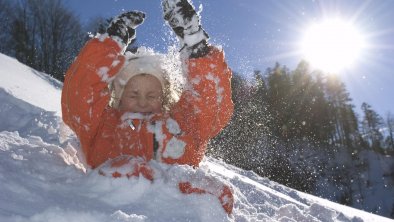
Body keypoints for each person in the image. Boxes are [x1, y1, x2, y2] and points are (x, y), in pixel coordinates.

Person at [61, 0, 234, 214]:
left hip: (175, 207)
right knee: (129, 168)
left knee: (215, 190)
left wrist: (195, 46)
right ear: (119, 97)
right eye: (134, 94)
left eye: (152, 95)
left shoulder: (180, 125)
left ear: (163, 98)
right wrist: (111, 44)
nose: (143, 101)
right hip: (110, 205)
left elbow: (210, 105)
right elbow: (80, 94)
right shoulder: (101, 125)